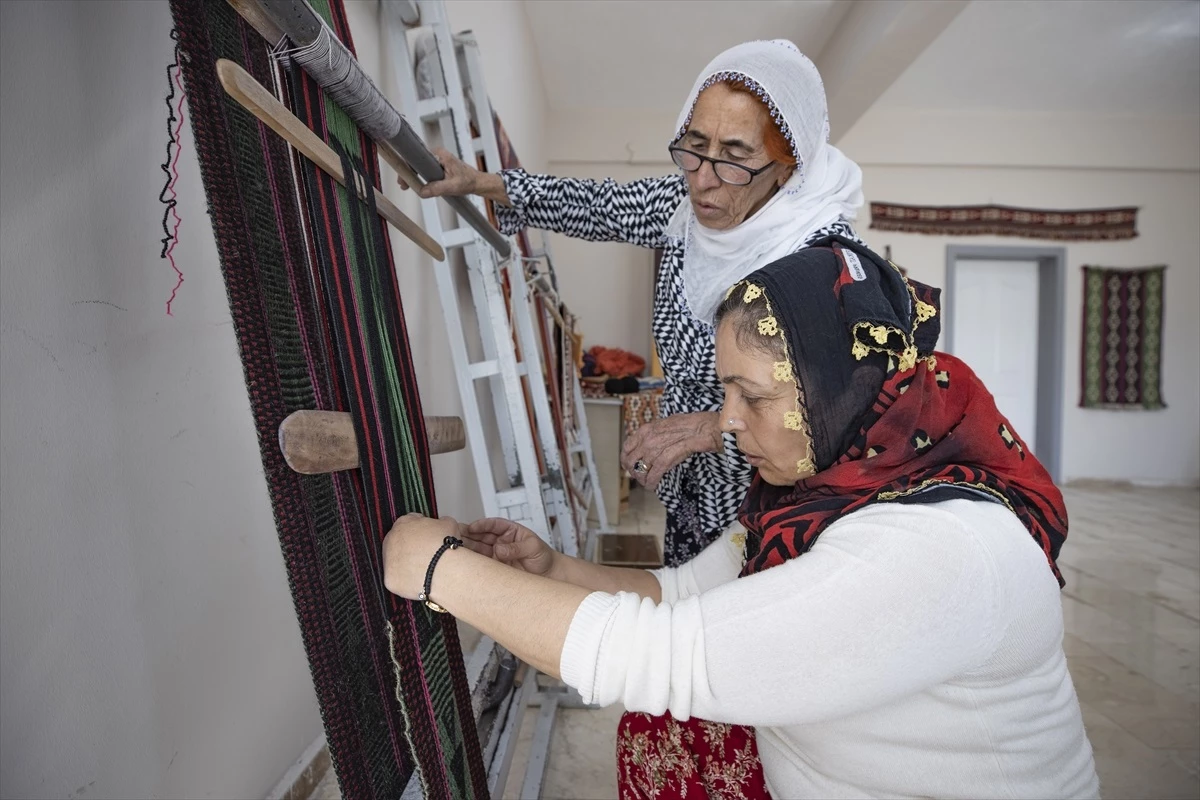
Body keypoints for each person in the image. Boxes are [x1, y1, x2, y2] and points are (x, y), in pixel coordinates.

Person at [382, 237, 1099, 798]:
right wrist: (552, 569)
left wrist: (442, 570)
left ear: (840, 388)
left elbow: (664, 654)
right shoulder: (816, 493)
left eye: (750, 397)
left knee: (677, 697)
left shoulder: (941, 547)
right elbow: (689, 594)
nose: (726, 423)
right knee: (671, 724)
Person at [402, 39, 864, 565]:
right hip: (691, 493)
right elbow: (596, 206)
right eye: (693, 147)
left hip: (772, 504)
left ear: (787, 166)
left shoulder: (823, 258)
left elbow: (841, 404)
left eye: (735, 159)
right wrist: (479, 182)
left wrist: (710, 427)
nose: (703, 179)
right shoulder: (681, 208)